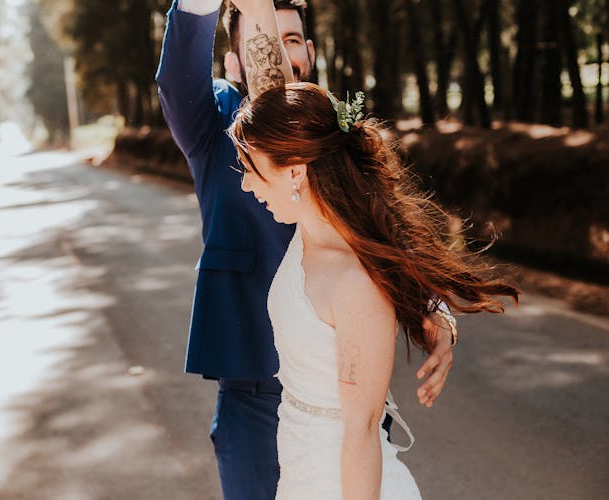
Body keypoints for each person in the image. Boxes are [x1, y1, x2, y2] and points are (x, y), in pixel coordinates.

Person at [156, 1, 457, 498]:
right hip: (251, 381)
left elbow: (386, 233)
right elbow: (179, 84)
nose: (282, 47)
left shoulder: (332, 143)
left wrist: (434, 308)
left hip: (338, 390)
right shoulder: (217, 129)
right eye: (271, 35)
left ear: (311, 52)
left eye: (293, 38)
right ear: (235, 62)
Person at [228, 82, 520, 499]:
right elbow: (401, 263)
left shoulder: (353, 284)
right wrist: (438, 312)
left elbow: (362, 432)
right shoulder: (308, 233)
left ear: (296, 171)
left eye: (252, 171)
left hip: (342, 483)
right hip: (299, 471)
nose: (246, 186)